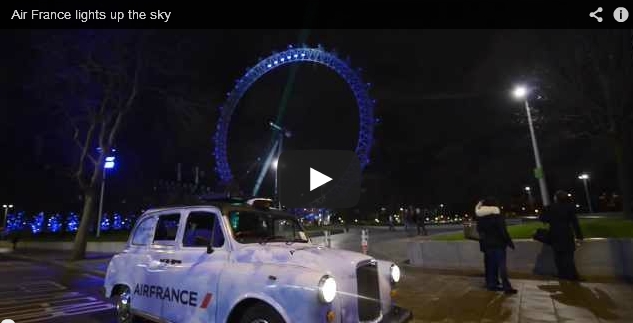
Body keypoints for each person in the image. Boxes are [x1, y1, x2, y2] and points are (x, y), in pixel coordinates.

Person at [476, 197, 517, 294]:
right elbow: (503, 231)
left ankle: (492, 285)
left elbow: (479, 232)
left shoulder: (481, 218)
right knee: (502, 266)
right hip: (499, 244)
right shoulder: (497, 216)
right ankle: (506, 286)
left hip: (487, 245)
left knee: (490, 266)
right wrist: (509, 242)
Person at [540, 190, 584, 281]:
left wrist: (549, 219)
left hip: (555, 234)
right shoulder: (569, 207)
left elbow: (542, 218)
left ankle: (562, 274)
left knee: (558, 256)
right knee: (568, 256)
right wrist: (579, 236)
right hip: (567, 234)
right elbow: (575, 223)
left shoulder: (550, 207)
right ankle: (573, 276)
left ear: (556, 198)